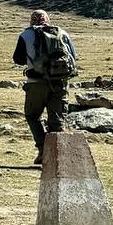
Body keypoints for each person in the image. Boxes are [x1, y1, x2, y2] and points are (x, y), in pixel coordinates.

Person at [13, 9, 78, 165]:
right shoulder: (62, 33)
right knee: (57, 121)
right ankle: (58, 157)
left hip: (36, 83)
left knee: (32, 116)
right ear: (48, 20)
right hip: (60, 83)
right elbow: (73, 58)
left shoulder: (25, 35)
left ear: (31, 20)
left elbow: (18, 59)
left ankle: (42, 149)